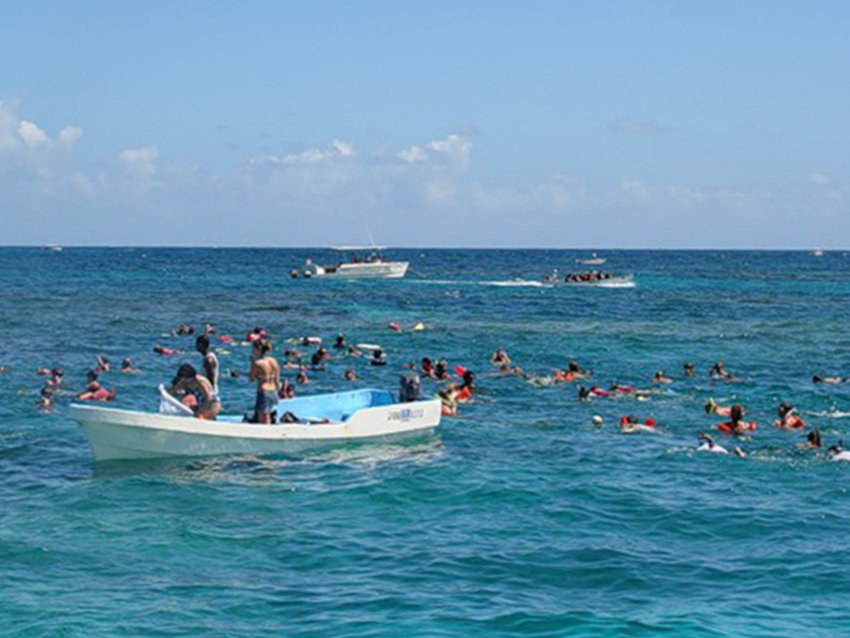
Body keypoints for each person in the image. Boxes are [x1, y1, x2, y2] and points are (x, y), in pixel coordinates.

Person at [249, 339, 280, 424]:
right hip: (273, 390)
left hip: (264, 391)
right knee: (269, 414)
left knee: (263, 418)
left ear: (258, 349)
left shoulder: (258, 363)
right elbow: (277, 380)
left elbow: (251, 379)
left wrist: (252, 364)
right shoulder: (273, 361)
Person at [196, 335, 220, 403]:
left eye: (198, 344)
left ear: (203, 345)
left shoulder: (209, 360)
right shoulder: (207, 357)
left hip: (208, 393)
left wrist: (210, 395)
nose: (196, 347)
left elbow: (210, 378)